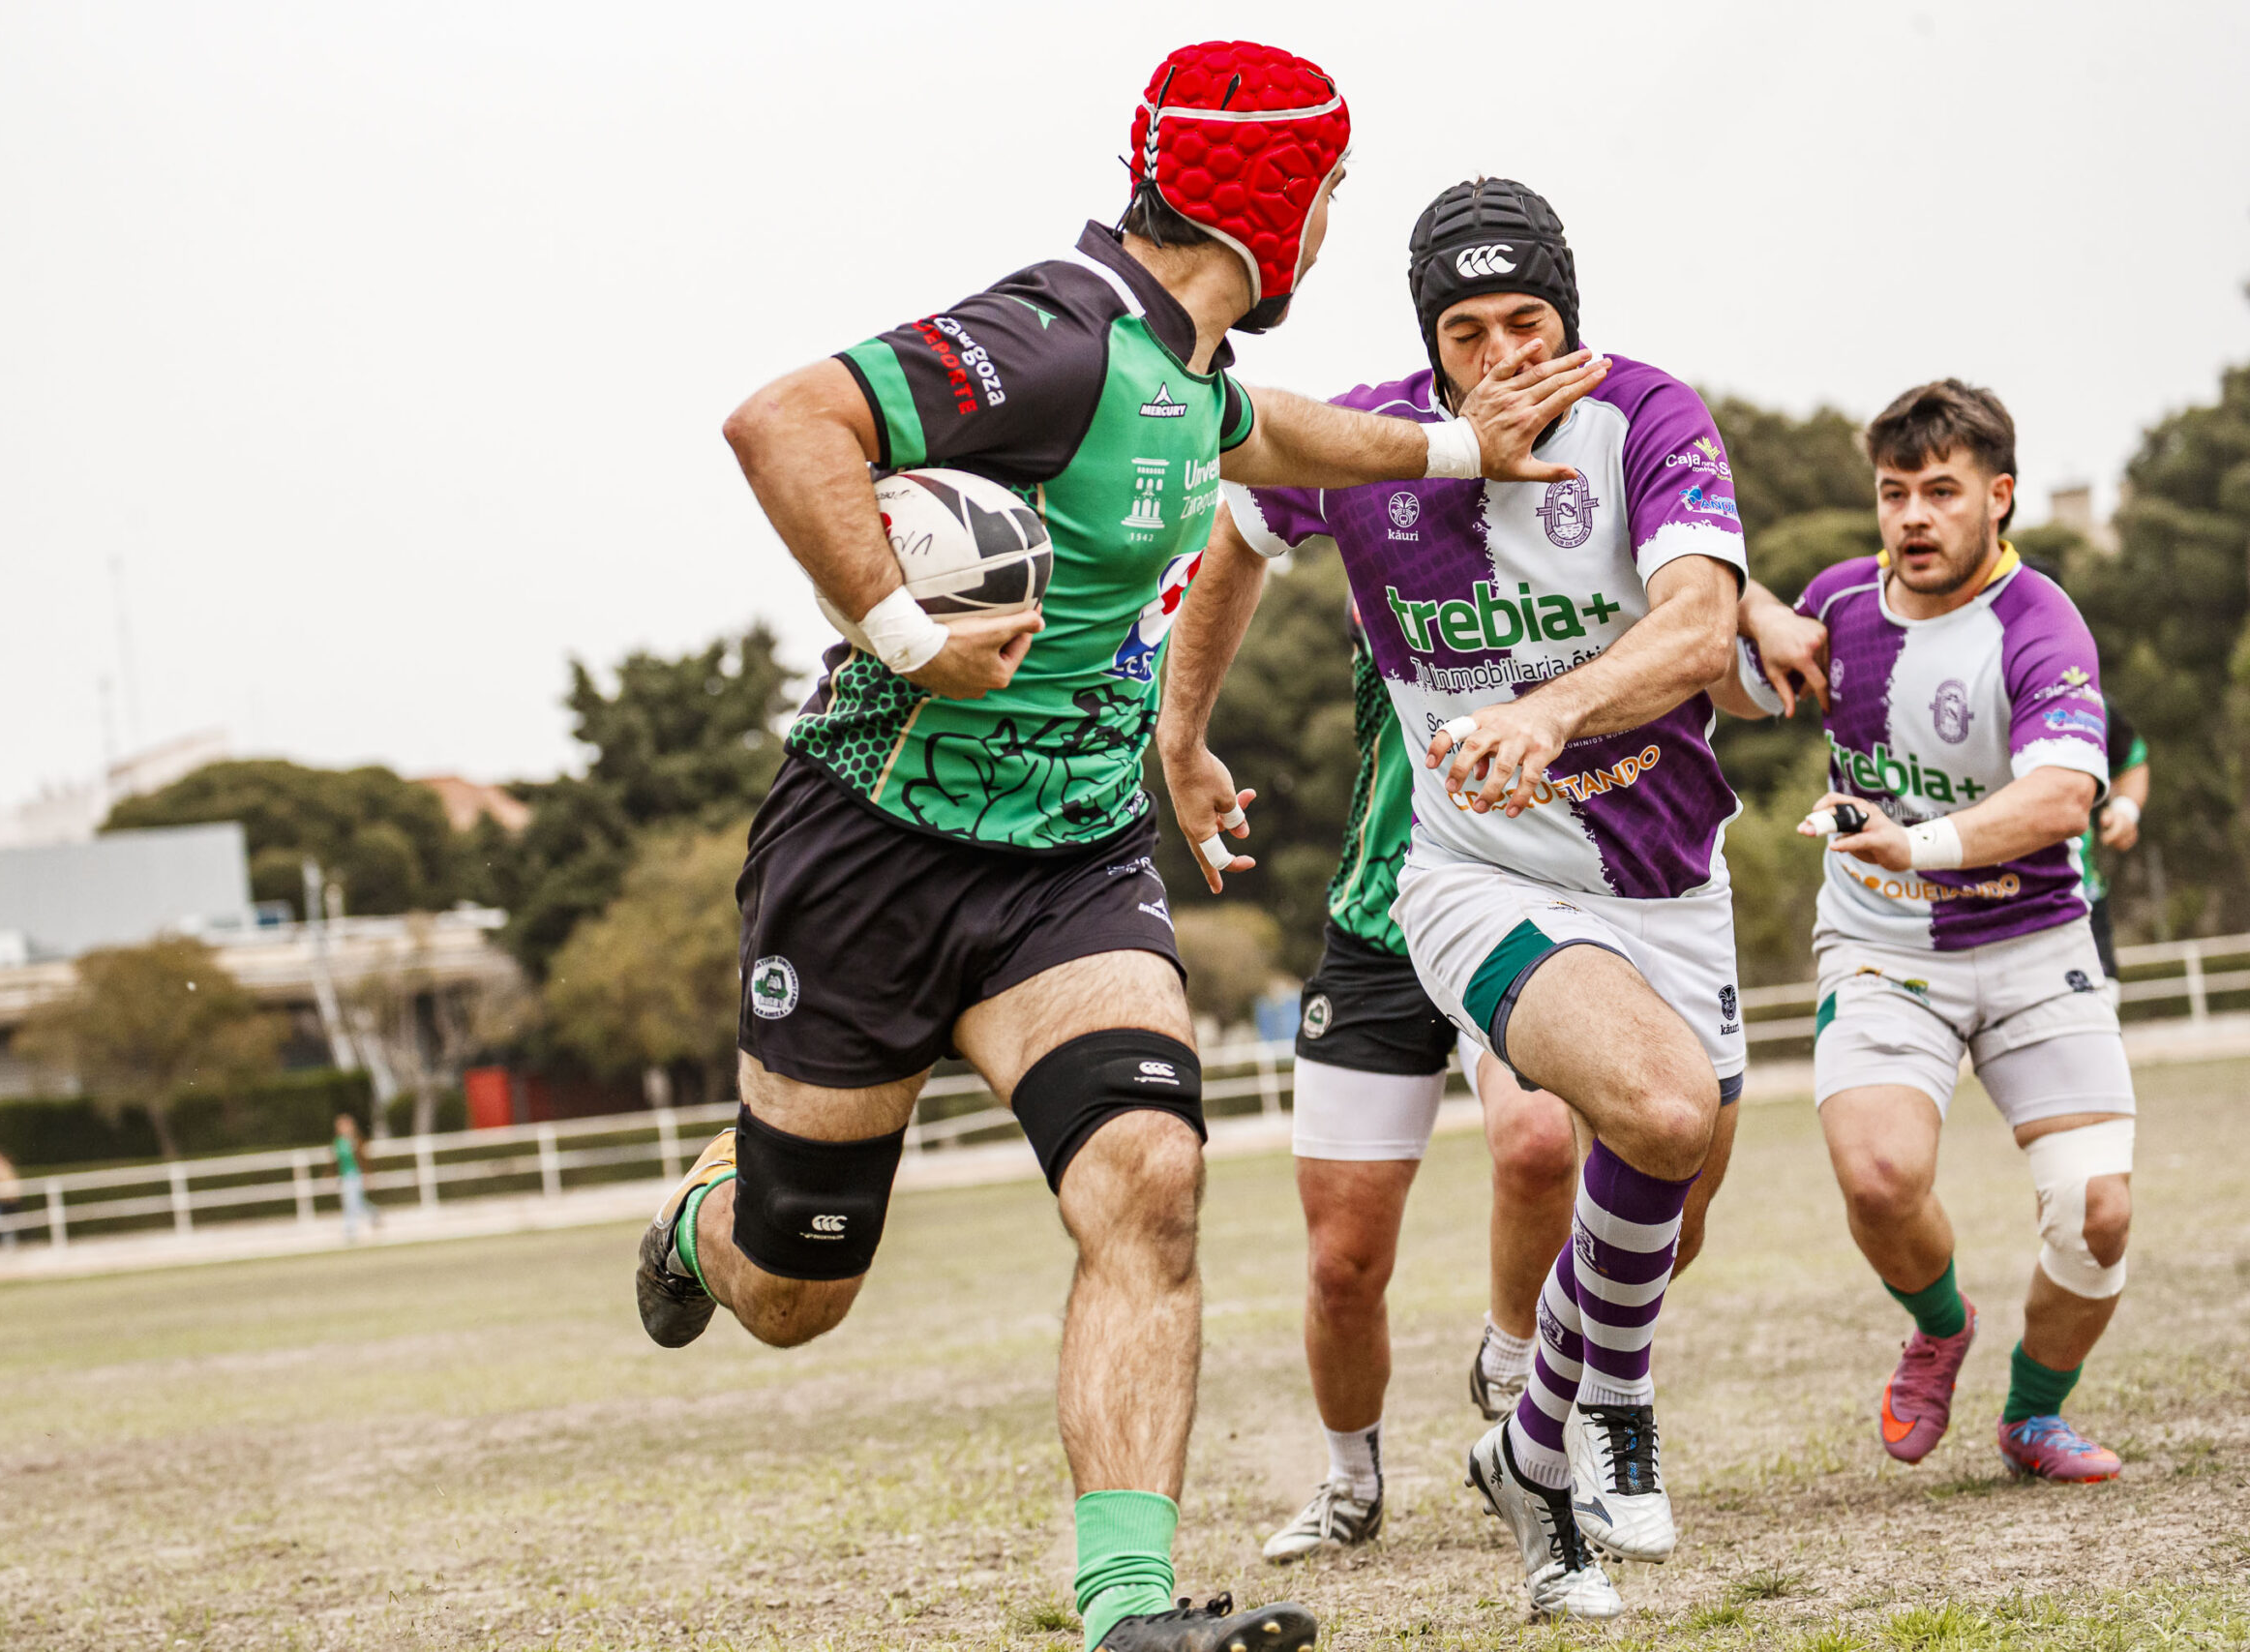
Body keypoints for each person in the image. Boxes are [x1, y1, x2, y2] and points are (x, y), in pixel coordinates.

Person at [635, 45, 1606, 1652]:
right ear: (1277, 201)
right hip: (871, 854)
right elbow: (781, 420)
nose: (1330, 226)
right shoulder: (1053, 337)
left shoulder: (1178, 365)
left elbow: (1259, 432)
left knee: (1152, 1181)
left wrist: (1454, 448)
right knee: (799, 1285)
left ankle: (1128, 1613)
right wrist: (901, 625)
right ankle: (701, 1219)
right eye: (1330, 195)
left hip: (1067, 873)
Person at [1161, 176, 1753, 1619]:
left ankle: (1533, 1436)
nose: (1501, 360)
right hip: (1471, 874)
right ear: (1432, 345)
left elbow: (1698, 621)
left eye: (1529, 321)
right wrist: (1179, 738)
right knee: (1649, 1113)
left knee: (1666, 1213)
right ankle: (1553, 1422)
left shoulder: (1650, 420)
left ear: (1573, 317)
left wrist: (1557, 708)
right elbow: (1237, 530)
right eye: (1469, 331)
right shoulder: (1376, 440)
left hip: (1670, 876)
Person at [1250, 610, 1745, 1569]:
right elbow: (1246, 512)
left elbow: (1703, 610)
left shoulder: (1573, 540)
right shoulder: (1375, 495)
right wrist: (1183, 743)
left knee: (1540, 1146)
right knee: (1341, 1265)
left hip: (1529, 903)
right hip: (1379, 923)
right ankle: (1349, 1481)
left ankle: (1526, 1371)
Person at [1720, 379, 2134, 1484]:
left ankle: (2034, 1415)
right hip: (1881, 949)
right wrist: (1746, 604)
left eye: (1940, 492)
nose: (1911, 516)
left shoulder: (2040, 622)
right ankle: (1940, 1328)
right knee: (1877, 1181)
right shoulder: (1840, 603)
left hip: (2036, 944)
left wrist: (1920, 843)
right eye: (1894, 492)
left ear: (1997, 498)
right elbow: (1727, 683)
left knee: (2095, 1215)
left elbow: (2058, 799)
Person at [2076, 697, 2149, 996]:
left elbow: (2131, 760)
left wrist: (2125, 810)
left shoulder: (2084, 698)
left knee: (2102, 1011)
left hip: (2080, 898)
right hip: (1968, 902)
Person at [333, 1113, 379, 1241]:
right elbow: (336, 1163)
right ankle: (373, 1213)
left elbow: (363, 1160)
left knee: (351, 1202)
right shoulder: (338, 1142)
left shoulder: (356, 1141)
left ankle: (350, 1230)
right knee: (354, 1202)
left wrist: (367, 1175)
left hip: (355, 1174)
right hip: (344, 1176)